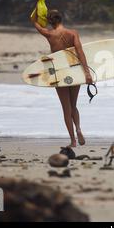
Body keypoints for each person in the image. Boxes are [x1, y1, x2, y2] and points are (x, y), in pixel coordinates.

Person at [31, 8, 93, 147]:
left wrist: (39, 4)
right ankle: (78, 128)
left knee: (66, 108)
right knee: (74, 106)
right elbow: (80, 53)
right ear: (61, 19)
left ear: (50, 21)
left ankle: (73, 140)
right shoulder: (72, 33)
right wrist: (87, 73)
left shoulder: (48, 33)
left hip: (59, 74)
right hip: (74, 71)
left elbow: (33, 21)